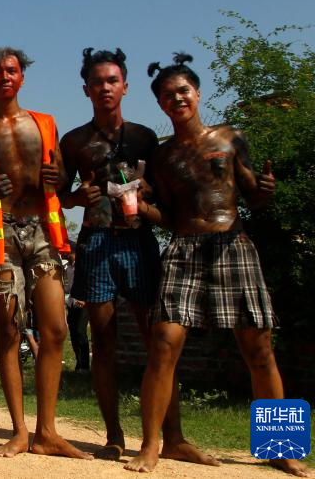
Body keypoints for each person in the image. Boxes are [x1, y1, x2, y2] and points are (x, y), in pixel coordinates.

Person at [126, 54, 308, 477]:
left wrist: (266, 188)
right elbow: (169, 215)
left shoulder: (230, 137)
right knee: (164, 343)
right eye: (167, 95)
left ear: (197, 93)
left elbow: (253, 196)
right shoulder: (161, 156)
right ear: (160, 104)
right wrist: (142, 208)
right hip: (184, 248)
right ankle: (151, 445)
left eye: (183, 91)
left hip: (233, 244)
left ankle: (281, 448)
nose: (177, 99)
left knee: (259, 348)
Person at [59, 47, 211, 463]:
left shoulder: (145, 138)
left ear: (125, 86)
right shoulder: (74, 141)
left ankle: (173, 437)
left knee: (157, 343)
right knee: (103, 342)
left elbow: (163, 195)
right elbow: (59, 196)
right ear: (86, 89)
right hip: (96, 242)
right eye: (97, 82)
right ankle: (113, 435)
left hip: (139, 242)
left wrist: (146, 196)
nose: (105, 88)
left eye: (112, 81)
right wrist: (77, 197)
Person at [0, 47, 89, 459]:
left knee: (55, 329)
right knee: (9, 331)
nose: (4, 77)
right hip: (1, 236)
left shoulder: (45, 123)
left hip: (44, 233)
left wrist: (59, 176)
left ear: (22, 77)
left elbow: (63, 179)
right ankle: (19, 431)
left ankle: (47, 431)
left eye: (11, 70)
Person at [62, 252, 89, 371]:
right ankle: (79, 363)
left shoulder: (82, 265)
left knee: (80, 332)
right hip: (71, 302)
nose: (67, 255)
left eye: (69, 253)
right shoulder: (67, 267)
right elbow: (68, 286)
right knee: (73, 333)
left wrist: (85, 299)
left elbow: (88, 282)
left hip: (82, 302)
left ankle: (85, 365)